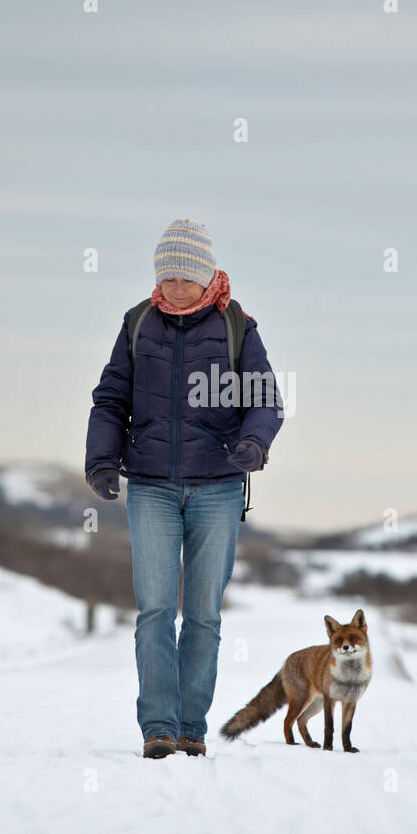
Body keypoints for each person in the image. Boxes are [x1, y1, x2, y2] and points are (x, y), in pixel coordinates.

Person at [84, 218, 284, 759]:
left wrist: (254, 444)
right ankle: (159, 727)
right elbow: (110, 401)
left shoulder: (238, 326)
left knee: (202, 614)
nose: (174, 288)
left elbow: (265, 400)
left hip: (218, 489)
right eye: (166, 277)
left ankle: (192, 726)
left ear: (205, 276)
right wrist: (101, 460)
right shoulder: (137, 324)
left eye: (184, 278)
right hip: (150, 487)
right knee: (153, 610)